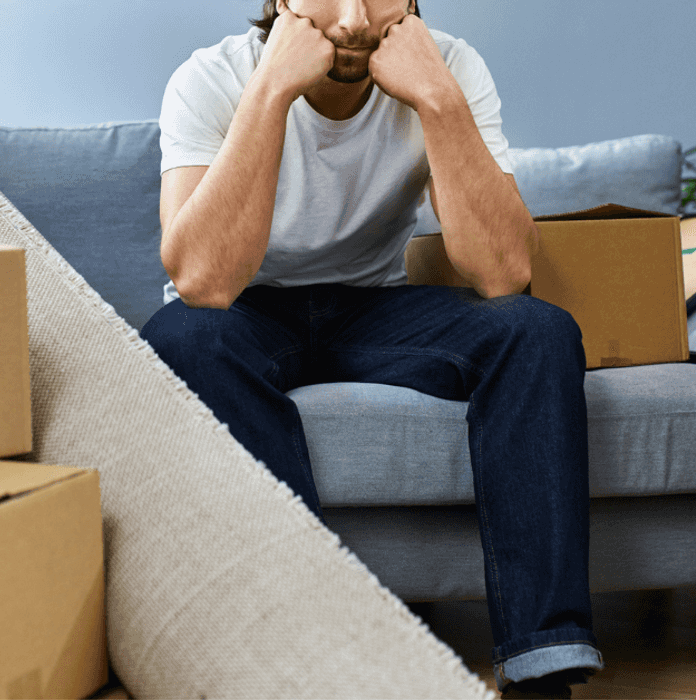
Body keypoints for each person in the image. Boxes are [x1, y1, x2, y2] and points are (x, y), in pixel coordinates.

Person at [140, 0, 603, 695]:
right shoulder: (211, 78)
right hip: (242, 310)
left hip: (373, 305)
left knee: (537, 330)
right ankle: (304, 659)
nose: (354, 19)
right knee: (181, 337)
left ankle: (542, 663)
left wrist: (437, 97)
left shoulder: (450, 67)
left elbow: (502, 272)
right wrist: (271, 90)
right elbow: (203, 281)